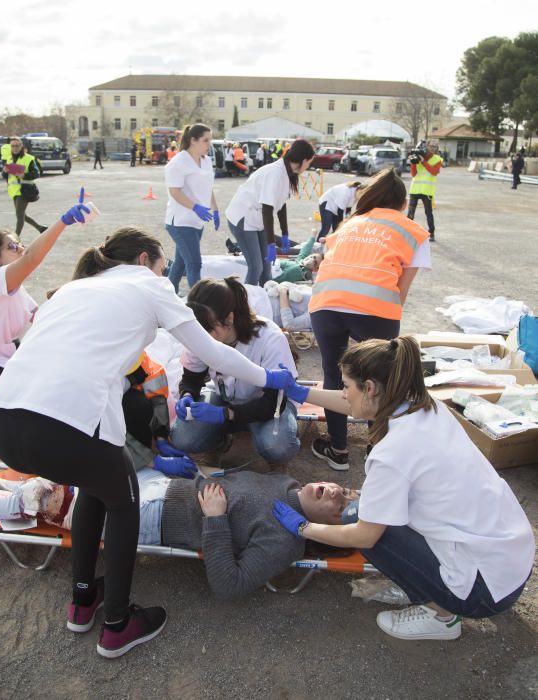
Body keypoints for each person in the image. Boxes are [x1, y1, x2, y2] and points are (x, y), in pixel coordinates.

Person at [0, 227, 294, 659]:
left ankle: (82, 601)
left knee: (99, 485)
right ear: (148, 259)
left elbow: (109, 376)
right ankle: (116, 624)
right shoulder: (149, 284)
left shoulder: (75, 289)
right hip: (62, 424)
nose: (166, 272)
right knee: (123, 499)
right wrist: (269, 379)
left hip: (4, 421)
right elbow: (214, 353)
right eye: (164, 265)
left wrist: (150, 441)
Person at [272, 336, 535, 641]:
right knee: (373, 507)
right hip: (510, 557)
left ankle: (442, 616)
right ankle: (427, 583)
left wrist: (304, 528)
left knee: (356, 518)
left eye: (346, 386)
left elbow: (363, 535)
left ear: (370, 387)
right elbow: (352, 404)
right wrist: (301, 391)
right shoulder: (425, 407)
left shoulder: (392, 453)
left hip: (485, 591)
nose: (344, 393)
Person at [0, 467, 355, 601]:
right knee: (73, 477)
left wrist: (215, 518)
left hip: (153, 519)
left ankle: (11, 502)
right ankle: (13, 495)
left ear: (331, 531)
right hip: (159, 484)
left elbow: (229, 586)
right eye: (345, 488)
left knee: (46, 498)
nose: (337, 492)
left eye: (341, 507)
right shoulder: (287, 482)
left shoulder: (285, 542)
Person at [308, 168, 431, 471]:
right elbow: (400, 292)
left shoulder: (348, 224)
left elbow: (327, 262)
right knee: (379, 378)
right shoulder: (412, 230)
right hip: (375, 307)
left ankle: (338, 449)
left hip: (326, 302)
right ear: (404, 204)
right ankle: (376, 448)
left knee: (334, 374)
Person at [0, 192, 90, 408]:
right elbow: (31, 259)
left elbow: (41, 315)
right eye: (11, 247)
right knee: (35, 388)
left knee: (44, 358)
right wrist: (63, 221)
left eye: (19, 243)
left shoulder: (14, 287)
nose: (20, 248)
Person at [170, 276, 300, 464]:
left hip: (268, 403)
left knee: (277, 446)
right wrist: (187, 395)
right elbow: (191, 379)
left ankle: (260, 438)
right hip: (225, 397)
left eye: (208, 328)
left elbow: (273, 402)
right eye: (198, 329)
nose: (202, 337)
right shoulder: (201, 336)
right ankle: (219, 440)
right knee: (183, 438)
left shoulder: (270, 339)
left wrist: (226, 414)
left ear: (229, 318)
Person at [225, 139, 315, 286]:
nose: (308, 166)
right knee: (256, 267)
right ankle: (247, 303)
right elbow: (267, 210)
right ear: (304, 160)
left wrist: (285, 234)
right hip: (243, 218)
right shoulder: (275, 173)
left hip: (258, 219)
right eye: (309, 163)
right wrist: (272, 244)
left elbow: (281, 205)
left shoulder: (287, 172)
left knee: (266, 269)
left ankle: (266, 301)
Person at [165, 124, 220, 294]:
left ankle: (167, 294)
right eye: (205, 140)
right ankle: (200, 304)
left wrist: (215, 210)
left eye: (209, 140)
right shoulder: (179, 162)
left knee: (180, 263)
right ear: (193, 141)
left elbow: (208, 188)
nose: (208, 144)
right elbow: (174, 190)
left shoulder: (206, 161)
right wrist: (195, 207)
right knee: (194, 264)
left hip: (197, 222)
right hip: (180, 222)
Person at [1, 136, 47, 239]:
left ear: (21, 146)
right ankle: (40, 228)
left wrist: (24, 175)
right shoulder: (9, 158)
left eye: (17, 146)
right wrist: (4, 171)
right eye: (12, 146)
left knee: (19, 216)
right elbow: (5, 176)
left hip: (24, 191)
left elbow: (36, 173)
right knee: (22, 215)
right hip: (13, 191)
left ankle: (15, 238)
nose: (15, 148)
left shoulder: (29, 158)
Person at [407, 140, 443, 242]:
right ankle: (407, 232)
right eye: (431, 146)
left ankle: (431, 232)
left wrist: (423, 161)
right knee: (410, 213)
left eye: (435, 147)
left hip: (427, 191)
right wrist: (413, 163)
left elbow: (434, 172)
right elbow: (413, 174)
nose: (433, 148)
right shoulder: (417, 156)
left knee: (428, 213)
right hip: (415, 189)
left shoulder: (437, 159)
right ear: (426, 146)